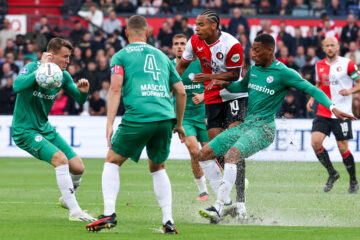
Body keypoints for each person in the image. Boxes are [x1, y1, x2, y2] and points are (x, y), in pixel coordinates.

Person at [196, 33, 355, 223]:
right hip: (247, 126)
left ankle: (219, 207)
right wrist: (223, 84)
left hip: (263, 129)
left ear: (269, 50)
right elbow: (241, 87)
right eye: (252, 49)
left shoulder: (284, 73)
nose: (252, 53)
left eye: (256, 50)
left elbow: (312, 89)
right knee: (203, 154)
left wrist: (332, 107)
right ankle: (232, 204)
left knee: (231, 155)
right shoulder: (254, 70)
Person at [85, 15, 186, 234]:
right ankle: (168, 220)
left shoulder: (120, 56)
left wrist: (109, 123)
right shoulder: (162, 56)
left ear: (126, 33)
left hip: (139, 115)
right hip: (165, 117)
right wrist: (178, 123)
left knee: (112, 160)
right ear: (147, 34)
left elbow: (114, 88)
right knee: (158, 167)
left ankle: (109, 213)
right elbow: (181, 91)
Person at [11, 37, 95, 221]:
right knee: (60, 160)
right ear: (51, 55)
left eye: (69, 57)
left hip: (44, 128)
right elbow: (16, 86)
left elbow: (80, 100)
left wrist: (84, 91)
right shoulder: (33, 67)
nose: (68, 61)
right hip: (25, 130)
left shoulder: (63, 76)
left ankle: (66, 199)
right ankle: (75, 211)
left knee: (78, 167)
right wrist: (39, 70)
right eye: (64, 57)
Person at [175, 9, 248, 220]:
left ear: (214, 26)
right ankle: (226, 203)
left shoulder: (231, 44)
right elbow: (182, 65)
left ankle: (241, 202)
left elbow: (235, 75)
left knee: (234, 149)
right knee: (218, 150)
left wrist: (209, 76)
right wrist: (168, 84)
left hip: (234, 94)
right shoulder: (194, 41)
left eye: (201, 24)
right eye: (196, 24)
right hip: (213, 97)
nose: (196, 28)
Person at [306, 37, 360, 194]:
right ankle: (332, 173)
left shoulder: (347, 64)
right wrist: (311, 98)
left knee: (343, 148)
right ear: (323, 48)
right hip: (323, 111)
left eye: (332, 45)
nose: (330, 48)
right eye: (327, 45)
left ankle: (353, 181)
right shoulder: (319, 65)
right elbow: (318, 85)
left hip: (342, 113)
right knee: (315, 142)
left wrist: (349, 91)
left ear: (338, 47)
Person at [172, 33, 210, 201]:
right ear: (172, 47)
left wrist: (204, 95)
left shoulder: (199, 64)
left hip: (204, 117)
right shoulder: (170, 68)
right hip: (185, 119)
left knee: (211, 153)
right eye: (176, 44)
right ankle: (203, 191)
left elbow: (214, 84)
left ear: (188, 46)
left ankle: (227, 185)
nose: (179, 46)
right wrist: (175, 122)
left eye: (182, 43)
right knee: (194, 151)